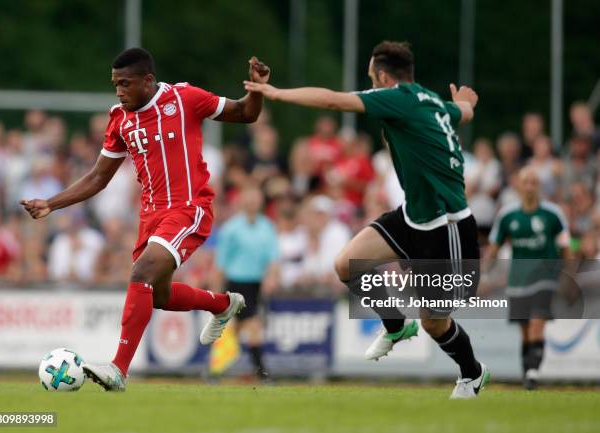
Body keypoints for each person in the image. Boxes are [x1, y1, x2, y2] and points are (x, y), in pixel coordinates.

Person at [245, 40, 488, 399]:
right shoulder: (431, 102)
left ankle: (472, 373)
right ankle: (394, 325)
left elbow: (332, 100)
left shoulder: (397, 98)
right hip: (414, 216)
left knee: (434, 322)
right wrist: (466, 102)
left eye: (371, 77)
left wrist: (275, 93)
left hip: (447, 226)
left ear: (385, 77)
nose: (369, 84)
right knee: (346, 264)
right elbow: (463, 113)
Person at [20, 47, 271, 391]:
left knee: (141, 273)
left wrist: (255, 91)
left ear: (148, 80)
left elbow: (245, 113)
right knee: (158, 295)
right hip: (151, 216)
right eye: (115, 85)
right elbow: (97, 178)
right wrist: (51, 203)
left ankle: (118, 370)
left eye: (125, 83)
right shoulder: (119, 119)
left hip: (188, 207)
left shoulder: (185, 98)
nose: (119, 91)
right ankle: (223, 304)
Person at [486, 167, 572, 390]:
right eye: (526, 182)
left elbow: (566, 247)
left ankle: (532, 374)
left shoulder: (553, 214)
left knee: (536, 324)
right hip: (517, 281)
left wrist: (569, 276)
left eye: (534, 182)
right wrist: (482, 272)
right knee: (524, 330)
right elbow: (494, 247)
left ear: (539, 186)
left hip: (545, 278)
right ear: (519, 185)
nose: (530, 186)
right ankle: (528, 373)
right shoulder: (507, 215)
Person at [213, 184, 280, 380]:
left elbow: (273, 258)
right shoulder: (231, 229)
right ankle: (261, 372)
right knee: (253, 326)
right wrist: (216, 292)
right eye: (248, 197)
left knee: (238, 328)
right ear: (242, 201)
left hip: (255, 284)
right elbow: (220, 263)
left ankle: (216, 369)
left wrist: (272, 277)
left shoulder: (267, 226)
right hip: (235, 283)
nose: (252, 202)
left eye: (255, 197)